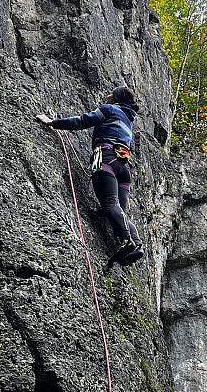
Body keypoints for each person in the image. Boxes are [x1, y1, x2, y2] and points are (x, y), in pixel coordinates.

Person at [37, 86, 144, 266]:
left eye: (111, 94)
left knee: (111, 204)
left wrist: (53, 122)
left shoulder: (110, 109)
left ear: (116, 98)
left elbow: (83, 121)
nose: (107, 95)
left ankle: (129, 241)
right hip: (124, 168)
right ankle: (137, 244)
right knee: (118, 210)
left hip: (107, 158)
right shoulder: (128, 120)